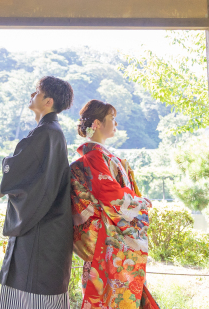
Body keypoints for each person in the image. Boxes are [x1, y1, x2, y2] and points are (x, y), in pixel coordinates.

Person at [70, 100, 160, 309]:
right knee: (114, 295)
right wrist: (140, 203)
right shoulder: (94, 156)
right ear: (97, 124)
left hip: (111, 235)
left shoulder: (103, 155)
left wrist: (136, 200)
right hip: (106, 238)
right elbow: (110, 194)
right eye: (111, 118)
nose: (116, 123)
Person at [0, 76, 74, 309]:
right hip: (48, 228)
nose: (32, 95)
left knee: (28, 293)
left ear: (48, 101)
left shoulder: (45, 133)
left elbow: (18, 170)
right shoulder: (52, 132)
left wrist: (7, 165)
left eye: (37, 92)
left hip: (39, 230)